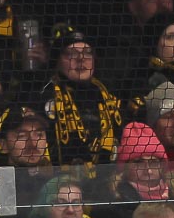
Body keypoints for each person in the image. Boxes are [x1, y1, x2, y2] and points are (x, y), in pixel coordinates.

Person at [40, 26, 124, 168]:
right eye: (71, 54)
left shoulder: (111, 97)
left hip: (106, 176)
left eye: (87, 53)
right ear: (57, 61)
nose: (81, 59)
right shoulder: (44, 96)